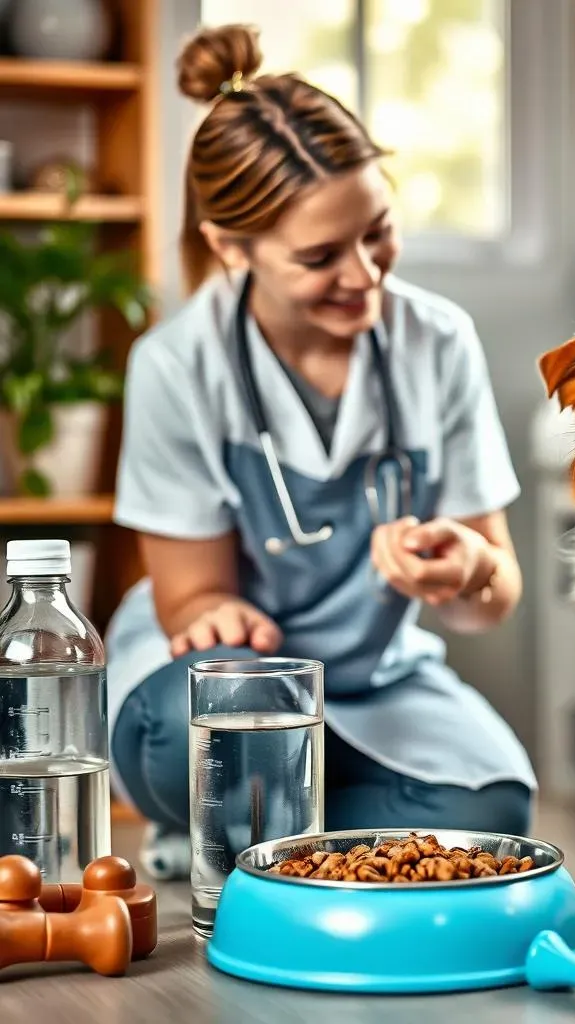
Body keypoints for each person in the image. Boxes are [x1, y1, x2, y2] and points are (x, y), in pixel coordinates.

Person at [106, 23, 536, 879]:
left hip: (375, 682)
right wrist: (217, 619)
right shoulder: (176, 365)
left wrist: (467, 569)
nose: (366, 274)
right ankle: (269, 820)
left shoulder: (438, 342)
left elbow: (496, 591)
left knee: (494, 811)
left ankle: (247, 835)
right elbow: (191, 596)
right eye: (319, 256)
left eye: (377, 231)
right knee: (175, 743)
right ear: (233, 247)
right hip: (231, 682)